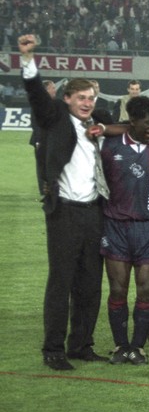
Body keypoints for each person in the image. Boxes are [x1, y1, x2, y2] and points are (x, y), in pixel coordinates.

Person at [20, 33, 112, 370]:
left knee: (89, 284)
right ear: (67, 98)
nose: (87, 102)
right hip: (64, 214)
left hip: (92, 213)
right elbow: (36, 97)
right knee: (61, 282)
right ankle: (53, 350)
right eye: (81, 97)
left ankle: (82, 345)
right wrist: (29, 61)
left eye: (91, 97)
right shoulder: (56, 118)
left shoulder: (93, 128)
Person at [100, 96, 149, 365]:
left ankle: (138, 347)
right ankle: (121, 345)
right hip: (116, 226)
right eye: (147, 122)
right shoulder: (109, 147)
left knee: (146, 290)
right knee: (118, 289)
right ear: (131, 121)